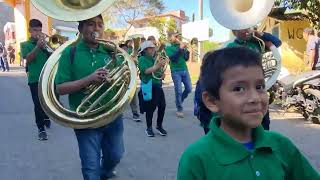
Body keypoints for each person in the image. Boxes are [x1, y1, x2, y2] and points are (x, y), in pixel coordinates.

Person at [177, 47, 320, 180]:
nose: (255, 98)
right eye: (239, 89)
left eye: (260, 87)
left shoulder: (281, 146)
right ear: (212, 101)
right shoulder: (196, 159)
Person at [55, 14, 124, 180]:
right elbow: (60, 88)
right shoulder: (69, 53)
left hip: (112, 115)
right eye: (91, 24)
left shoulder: (111, 52)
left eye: (100, 25)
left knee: (115, 156)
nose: (96, 28)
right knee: (90, 168)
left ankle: (106, 173)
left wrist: (114, 78)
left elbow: (125, 80)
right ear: (81, 29)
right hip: (85, 119)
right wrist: (90, 79)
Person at [227, 28, 282, 130]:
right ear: (235, 32)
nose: (247, 30)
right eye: (242, 29)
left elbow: (277, 43)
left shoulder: (258, 43)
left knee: (264, 121)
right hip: (243, 90)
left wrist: (259, 34)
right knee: (246, 120)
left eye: (248, 27)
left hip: (260, 87)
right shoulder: (230, 47)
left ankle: (263, 141)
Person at [20, 19, 50, 140]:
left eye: (40, 30)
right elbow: (29, 59)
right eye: (35, 30)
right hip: (34, 79)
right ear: (29, 31)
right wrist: (38, 47)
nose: (38, 32)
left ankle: (46, 116)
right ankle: (41, 129)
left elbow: (54, 56)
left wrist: (46, 46)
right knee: (38, 104)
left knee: (48, 101)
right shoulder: (24, 45)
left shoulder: (45, 44)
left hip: (47, 78)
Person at [138, 40, 167, 137]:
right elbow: (146, 71)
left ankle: (159, 126)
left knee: (162, 106)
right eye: (151, 48)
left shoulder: (154, 58)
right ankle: (149, 128)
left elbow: (158, 72)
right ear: (145, 50)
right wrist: (158, 65)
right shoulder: (142, 59)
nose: (154, 49)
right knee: (151, 108)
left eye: (153, 47)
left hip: (158, 85)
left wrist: (162, 74)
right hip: (149, 86)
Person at [165, 31, 192, 118]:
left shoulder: (180, 45)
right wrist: (180, 48)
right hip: (175, 71)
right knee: (178, 91)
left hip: (184, 70)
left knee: (189, 89)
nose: (178, 38)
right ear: (170, 38)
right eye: (175, 36)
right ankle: (179, 109)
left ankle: (179, 101)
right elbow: (173, 59)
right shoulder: (168, 47)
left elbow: (186, 58)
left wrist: (187, 50)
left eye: (178, 36)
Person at [119, 42, 141, 122]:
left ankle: (135, 114)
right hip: (121, 81)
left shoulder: (131, 57)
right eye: (123, 48)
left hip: (130, 80)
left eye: (126, 48)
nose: (125, 50)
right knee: (120, 98)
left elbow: (135, 67)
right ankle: (118, 114)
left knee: (133, 98)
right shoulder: (118, 57)